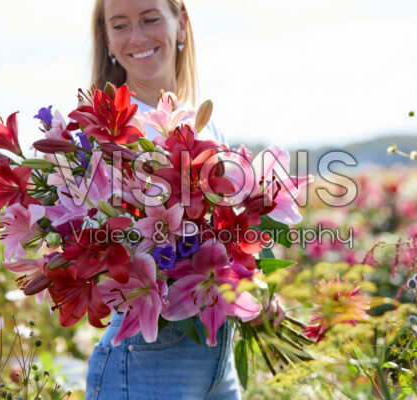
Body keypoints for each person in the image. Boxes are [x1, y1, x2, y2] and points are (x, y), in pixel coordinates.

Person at [85, 1, 284, 399]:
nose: (137, 37)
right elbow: (98, 253)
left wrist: (260, 292)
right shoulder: (103, 134)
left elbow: (236, 239)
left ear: (181, 25)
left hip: (218, 364)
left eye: (151, 18)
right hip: (146, 365)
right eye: (120, 24)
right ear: (107, 39)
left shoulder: (209, 128)